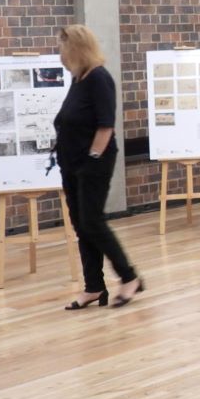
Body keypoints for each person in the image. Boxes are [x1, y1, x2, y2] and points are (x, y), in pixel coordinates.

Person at [53, 25, 142, 308]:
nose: (60, 54)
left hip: (93, 163)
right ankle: (93, 287)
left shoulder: (99, 79)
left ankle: (129, 277)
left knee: (92, 222)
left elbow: (105, 126)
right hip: (71, 164)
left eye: (62, 48)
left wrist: (91, 160)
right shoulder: (79, 79)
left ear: (76, 49)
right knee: (81, 225)